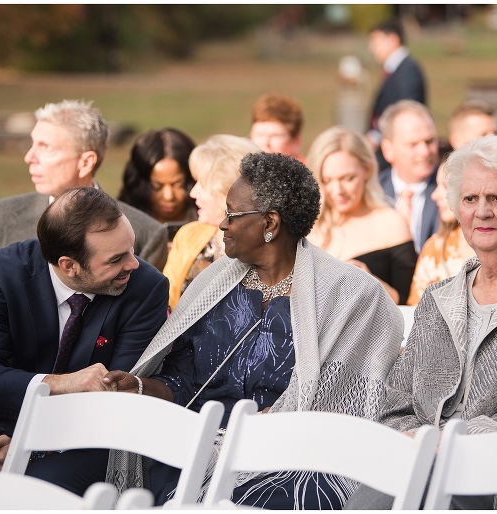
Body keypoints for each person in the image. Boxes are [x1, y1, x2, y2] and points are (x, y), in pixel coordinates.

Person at [105, 152, 404, 509]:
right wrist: (139, 386)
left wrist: (268, 429)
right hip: (194, 448)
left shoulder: (348, 295)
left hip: (292, 464)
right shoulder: (215, 285)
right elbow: (183, 381)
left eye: (232, 214)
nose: (222, 224)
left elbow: (341, 406)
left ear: (270, 223)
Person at [346, 135, 497, 510]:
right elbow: (394, 402)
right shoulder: (437, 298)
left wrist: (454, 440)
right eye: (470, 199)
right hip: (414, 466)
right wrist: (415, 442)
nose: (482, 211)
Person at [0, 187, 169, 495]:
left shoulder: (145, 289)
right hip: (1, 425)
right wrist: (62, 383)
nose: (133, 264)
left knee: (37, 491)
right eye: (117, 258)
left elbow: (115, 397)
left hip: (88, 439)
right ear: (68, 265)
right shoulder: (2, 274)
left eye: (131, 249)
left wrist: (29, 447)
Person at [0, 100, 168, 271]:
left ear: (86, 162)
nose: (29, 157)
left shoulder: (145, 234)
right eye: (33, 143)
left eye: (47, 147)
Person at [307, 126, 416, 304]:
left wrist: (369, 282)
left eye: (347, 178)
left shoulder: (391, 224)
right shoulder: (306, 228)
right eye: (326, 181)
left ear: (367, 170)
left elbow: (410, 303)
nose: (337, 190)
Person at [163, 134, 260, 311]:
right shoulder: (188, 236)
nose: (193, 193)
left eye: (202, 184)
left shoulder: (270, 249)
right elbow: (165, 305)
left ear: (229, 191)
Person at [407, 158, 476, 305]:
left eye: (445, 186)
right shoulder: (434, 248)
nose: (434, 195)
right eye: (437, 185)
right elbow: (415, 309)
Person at [378, 100, 440, 253]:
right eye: (413, 144)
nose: (425, 152)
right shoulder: (374, 193)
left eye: (429, 141)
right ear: (388, 149)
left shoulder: (450, 190)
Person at [366, 19, 427, 170]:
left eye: (376, 42)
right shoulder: (395, 70)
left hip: (398, 151)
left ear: (393, 40)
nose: (372, 48)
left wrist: (376, 137)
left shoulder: (408, 70)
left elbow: (407, 111)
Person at [118, 127, 197, 234]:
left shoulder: (211, 221)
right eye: (156, 186)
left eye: (178, 184)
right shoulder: (120, 224)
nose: (168, 196)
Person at [249, 93, 306, 163]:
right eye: (259, 135)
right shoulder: (239, 167)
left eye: (275, 136)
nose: (265, 143)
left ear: (296, 141)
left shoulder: (311, 169)